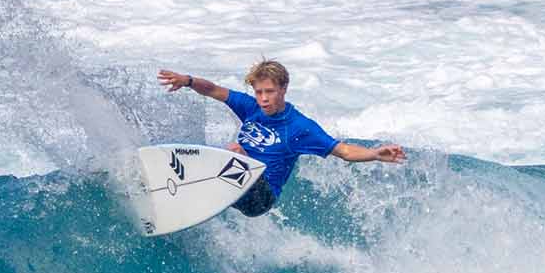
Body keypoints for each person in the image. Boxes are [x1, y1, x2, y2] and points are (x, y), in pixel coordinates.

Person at [156, 58, 406, 216]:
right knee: (208, 154)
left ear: (284, 89)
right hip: (235, 183)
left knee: (234, 151)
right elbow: (212, 90)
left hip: (261, 197)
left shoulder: (298, 127)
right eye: (258, 92)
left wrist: (374, 154)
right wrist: (187, 81)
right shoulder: (252, 107)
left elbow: (343, 151)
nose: (263, 98)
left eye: (270, 92)